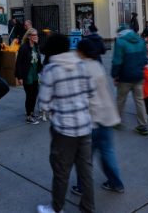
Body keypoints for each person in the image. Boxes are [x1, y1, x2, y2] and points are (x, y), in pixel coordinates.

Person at [37, 34, 95, 213]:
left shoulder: (51, 69)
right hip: (84, 126)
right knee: (85, 171)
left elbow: (44, 103)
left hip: (63, 129)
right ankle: (88, 208)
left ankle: (56, 208)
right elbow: (91, 92)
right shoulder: (81, 64)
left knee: (61, 171)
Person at [71, 39, 125, 197]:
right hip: (107, 116)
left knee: (84, 158)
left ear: (81, 52)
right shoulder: (97, 65)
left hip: (91, 120)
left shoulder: (81, 69)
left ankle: (82, 187)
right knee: (108, 152)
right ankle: (116, 183)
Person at [112, 23, 148, 136]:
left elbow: (117, 61)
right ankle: (143, 126)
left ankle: (117, 121)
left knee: (120, 99)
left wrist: (115, 75)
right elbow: (145, 59)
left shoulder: (120, 42)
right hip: (139, 76)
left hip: (125, 77)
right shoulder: (140, 41)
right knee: (139, 100)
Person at [15, 27, 43, 124]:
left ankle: (31, 112)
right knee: (29, 95)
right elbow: (18, 63)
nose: (36, 37)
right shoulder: (24, 47)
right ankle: (28, 116)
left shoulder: (36, 46)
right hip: (27, 75)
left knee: (34, 94)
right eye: (34, 35)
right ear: (29, 37)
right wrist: (20, 77)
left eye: (36, 35)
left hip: (35, 74)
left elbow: (39, 60)